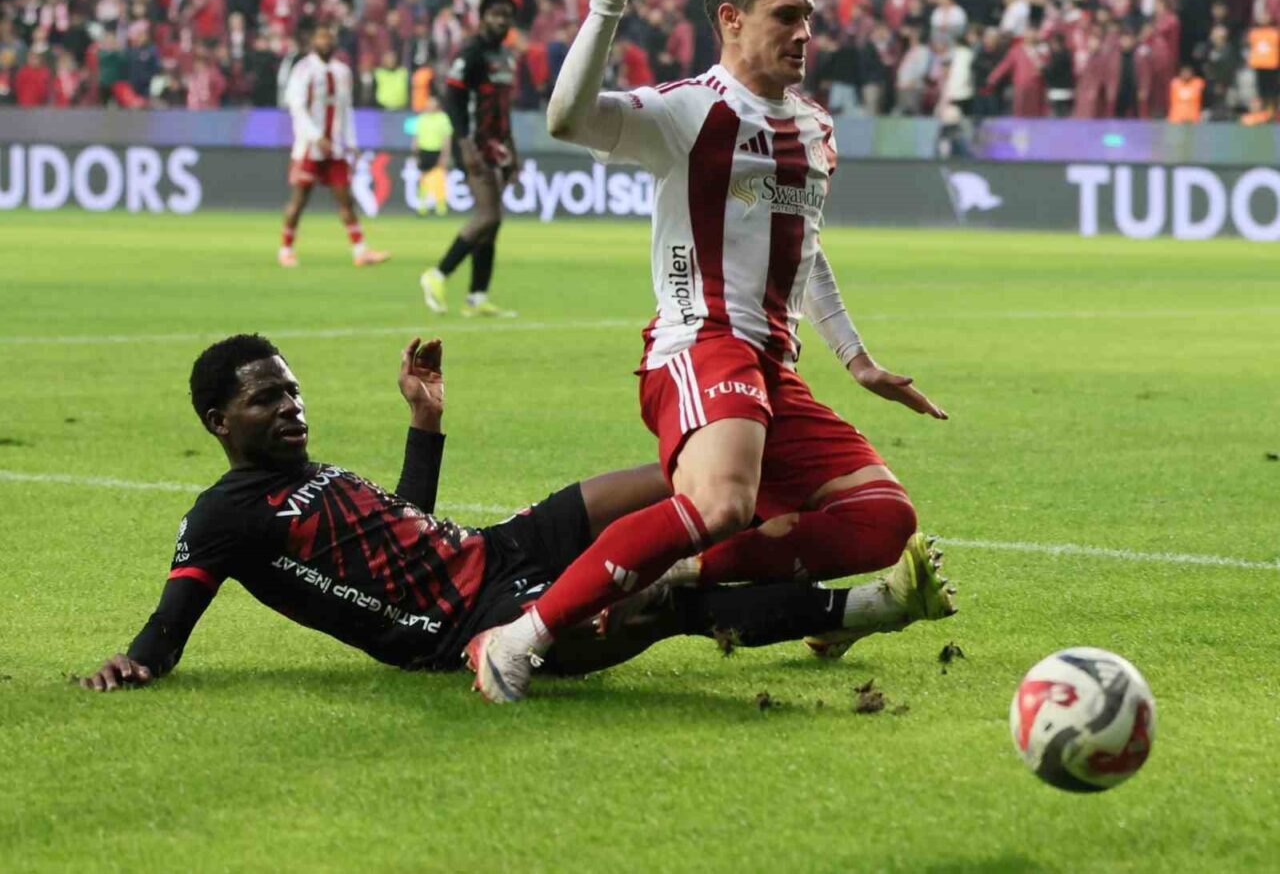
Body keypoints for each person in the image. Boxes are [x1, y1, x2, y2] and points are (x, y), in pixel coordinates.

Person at [469, 0, 954, 703]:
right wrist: (609, 0)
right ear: (731, 20)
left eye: (809, 17)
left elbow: (804, 247)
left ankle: (677, 568)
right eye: (786, 16)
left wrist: (857, 359)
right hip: (700, 344)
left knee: (882, 520)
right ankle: (516, 641)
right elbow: (566, 119)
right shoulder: (690, 110)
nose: (805, 33)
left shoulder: (814, 126)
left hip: (771, 368)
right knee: (723, 502)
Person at [77, 335, 956, 693]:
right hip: (470, 619)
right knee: (662, 600)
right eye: (268, 399)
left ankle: (811, 537)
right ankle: (865, 607)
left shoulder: (311, 475)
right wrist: (136, 662)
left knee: (682, 480)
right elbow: (169, 626)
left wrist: (425, 423)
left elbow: (407, 527)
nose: (292, 409)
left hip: (497, 548)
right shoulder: (223, 516)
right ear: (218, 421)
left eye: (294, 391)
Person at [420, 0, 520, 318]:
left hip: (496, 145)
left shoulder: (504, 56)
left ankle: (477, 297)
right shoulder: (471, 52)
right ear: (482, 17)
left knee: (493, 221)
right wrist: (465, 144)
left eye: (506, 15)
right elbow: (453, 100)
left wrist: (512, 150)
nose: (501, 20)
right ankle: (437, 274)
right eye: (495, 14)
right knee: (488, 216)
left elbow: (503, 109)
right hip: (473, 143)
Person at [280, 23, 389, 269]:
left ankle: (361, 251)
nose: (326, 42)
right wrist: (315, 136)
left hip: (336, 148)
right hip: (309, 148)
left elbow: (345, 110)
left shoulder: (342, 71)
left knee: (345, 199)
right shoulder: (303, 69)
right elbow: (296, 107)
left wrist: (351, 142)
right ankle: (286, 249)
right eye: (321, 37)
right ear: (313, 41)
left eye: (329, 38)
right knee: (299, 200)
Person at [413, 92, 453, 216]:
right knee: (423, 179)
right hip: (424, 151)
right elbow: (416, 136)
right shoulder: (421, 118)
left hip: (437, 151)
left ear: (437, 106)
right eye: (428, 104)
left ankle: (440, 205)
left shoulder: (443, 118)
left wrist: (445, 155)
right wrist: (415, 151)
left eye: (431, 104)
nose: (429, 106)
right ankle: (422, 205)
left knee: (439, 178)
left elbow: (447, 138)